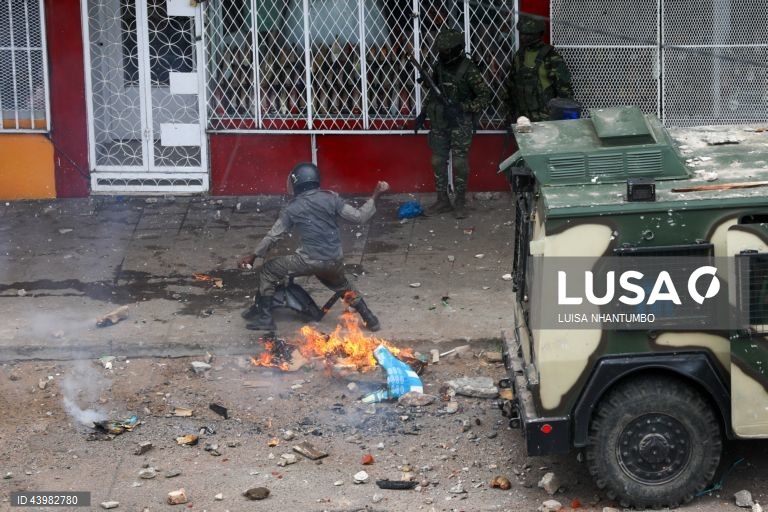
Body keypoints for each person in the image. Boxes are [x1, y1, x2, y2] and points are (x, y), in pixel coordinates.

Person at [238, 163, 389, 332]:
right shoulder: (331, 199)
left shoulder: (293, 208)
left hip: (307, 261)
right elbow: (359, 217)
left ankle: (265, 318)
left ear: (296, 182)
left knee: (268, 269)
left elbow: (274, 235)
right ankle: (371, 319)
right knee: (344, 287)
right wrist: (375, 195)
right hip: (334, 260)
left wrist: (254, 255)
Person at [415, 29, 491, 220]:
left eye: (447, 51)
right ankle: (442, 200)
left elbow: (485, 96)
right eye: (441, 50)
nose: (443, 54)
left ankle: (459, 201)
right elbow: (434, 92)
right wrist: (424, 112)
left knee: (459, 162)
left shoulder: (468, 69)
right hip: (440, 120)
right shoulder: (439, 65)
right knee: (437, 160)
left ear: (457, 49)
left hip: (460, 121)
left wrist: (463, 107)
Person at [503, 15, 574, 122]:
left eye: (528, 34)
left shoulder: (551, 57)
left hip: (545, 119)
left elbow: (565, 90)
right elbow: (511, 85)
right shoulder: (519, 55)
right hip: (522, 119)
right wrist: (510, 112)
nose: (523, 37)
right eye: (522, 33)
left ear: (538, 34)